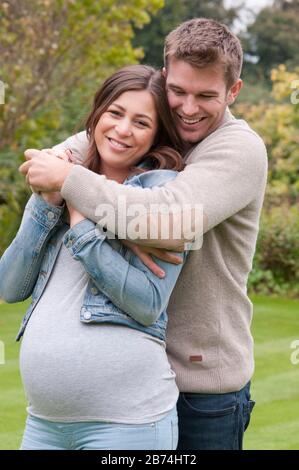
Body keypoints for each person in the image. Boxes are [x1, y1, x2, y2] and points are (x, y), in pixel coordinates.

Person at [19, 18, 268, 450]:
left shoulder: (238, 148)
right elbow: (65, 154)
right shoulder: (155, 129)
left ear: (233, 91)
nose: (189, 108)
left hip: (201, 389)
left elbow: (171, 222)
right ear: (165, 76)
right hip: (138, 378)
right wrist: (112, 210)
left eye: (206, 95)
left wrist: (82, 193)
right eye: (178, 91)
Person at [0, 65, 190, 450]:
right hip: (44, 425)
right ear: (98, 114)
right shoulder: (60, 177)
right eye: (115, 113)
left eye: (141, 122)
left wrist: (82, 222)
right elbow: (8, 286)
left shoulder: (161, 192)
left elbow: (148, 303)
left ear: (156, 135)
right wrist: (46, 203)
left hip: (129, 425)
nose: (122, 130)